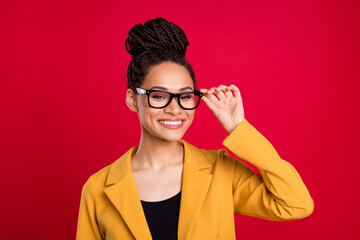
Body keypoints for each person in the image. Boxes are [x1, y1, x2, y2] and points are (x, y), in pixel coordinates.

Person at [76, 17, 314, 240]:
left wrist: (238, 128)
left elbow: (295, 203)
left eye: (185, 96)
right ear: (131, 99)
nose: (175, 109)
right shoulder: (98, 189)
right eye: (159, 96)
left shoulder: (220, 172)